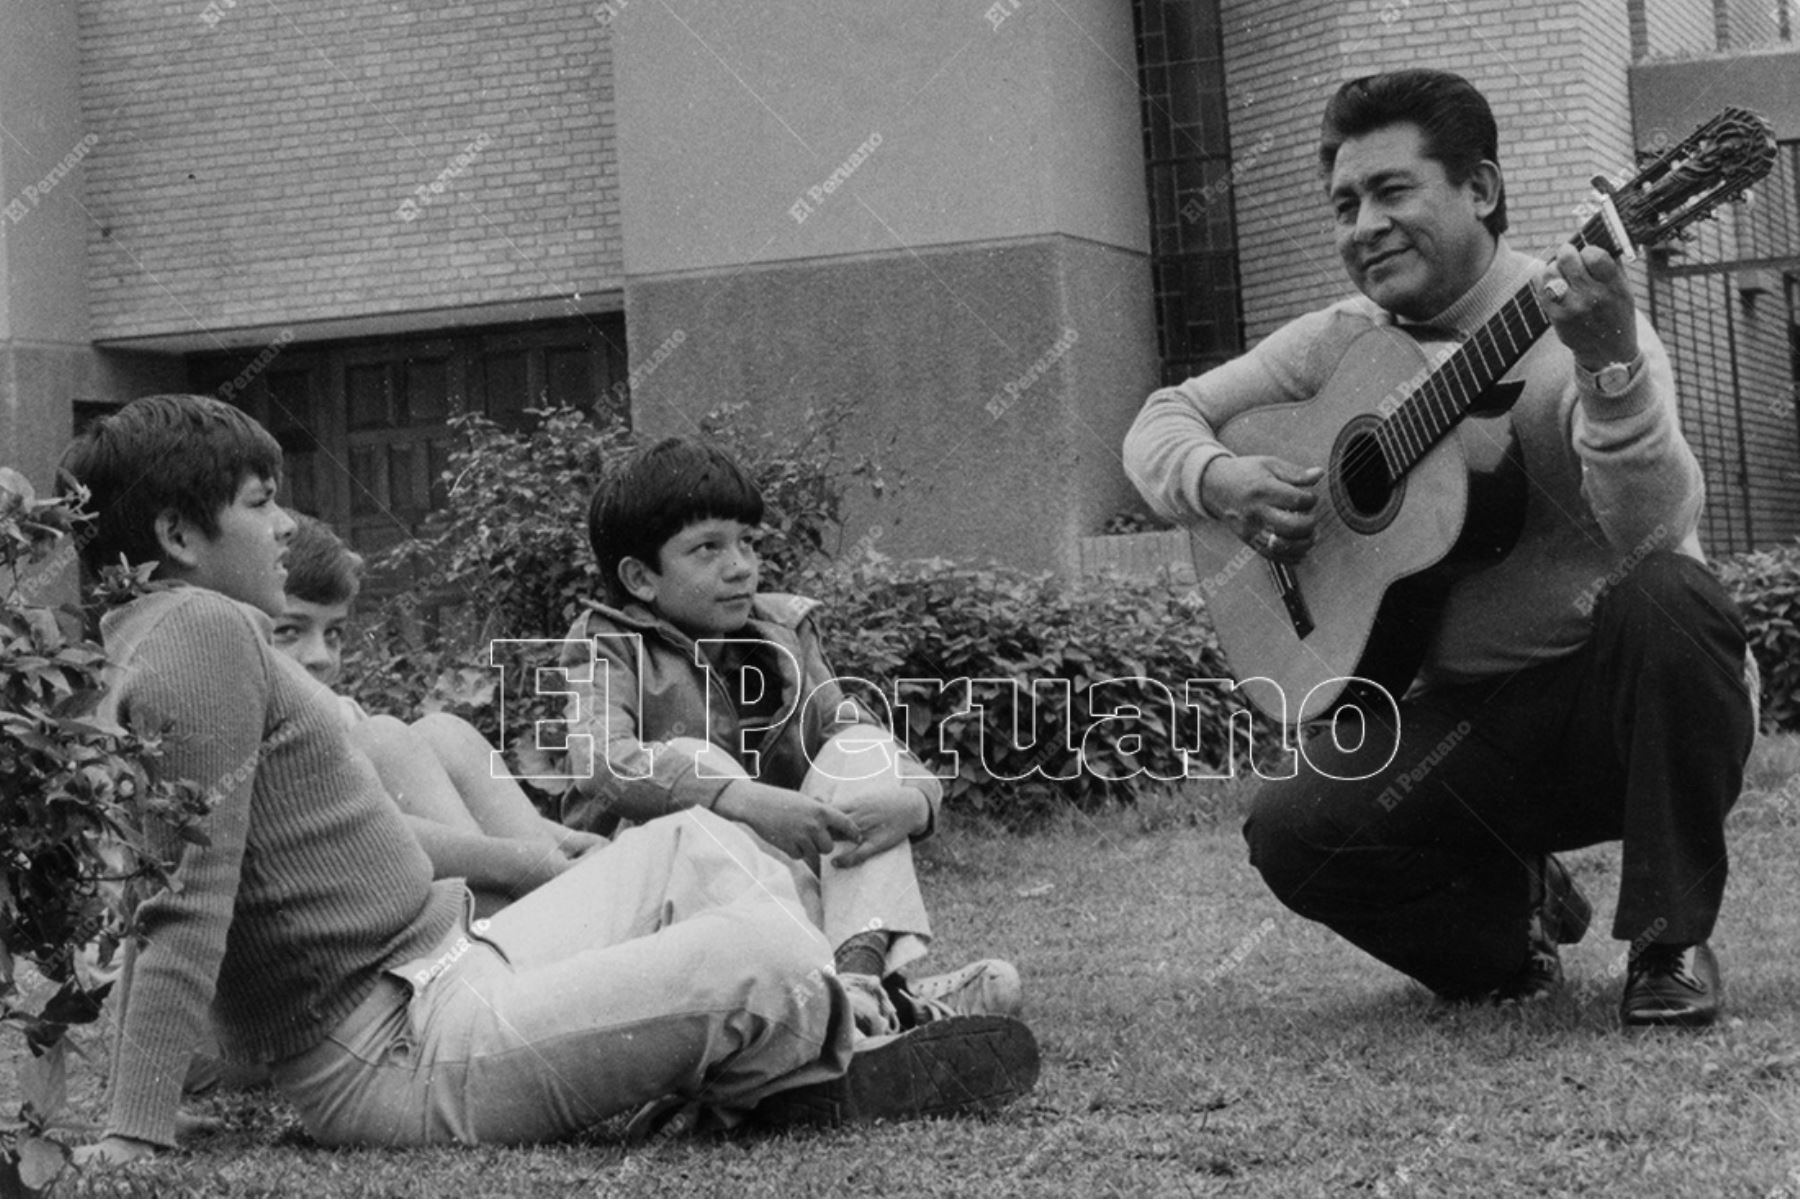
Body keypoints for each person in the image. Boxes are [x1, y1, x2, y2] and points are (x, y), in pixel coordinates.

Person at [61, 394, 1038, 1164]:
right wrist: (133, 1130)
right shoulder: (197, 631)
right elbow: (179, 897)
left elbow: (329, 845)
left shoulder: (189, 636)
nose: (288, 526)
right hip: (392, 1049)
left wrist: (529, 858)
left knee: (693, 846)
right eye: (262, 500)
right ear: (182, 534)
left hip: (447, 962)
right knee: (763, 955)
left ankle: (815, 1047)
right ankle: (850, 1028)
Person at [1123, 69, 1754, 1025]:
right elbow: (1159, 421)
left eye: (1391, 191)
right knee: (1292, 827)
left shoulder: (1586, 323)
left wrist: (1610, 371)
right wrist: (1223, 479)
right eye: (1344, 205)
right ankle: (1507, 941)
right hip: (1456, 731)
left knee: (1670, 593)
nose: (1362, 226)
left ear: (1482, 191)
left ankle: (1669, 942)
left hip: (1611, 713)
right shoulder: (1341, 340)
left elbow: (1658, 535)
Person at [557, 436, 1023, 1035]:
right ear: (640, 578)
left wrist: (916, 803)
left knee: (861, 749)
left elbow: (859, 729)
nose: (741, 566)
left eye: (747, 541)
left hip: (784, 896)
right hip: (648, 911)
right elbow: (603, 763)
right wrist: (743, 800)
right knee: (688, 757)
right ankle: (880, 1006)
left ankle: (858, 987)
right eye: (707, 549)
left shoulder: (779, 634)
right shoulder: (603, 645)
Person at [274, 513, 602, 915]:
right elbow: (376, 827)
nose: (320, 657)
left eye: (334, 634)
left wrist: (563, 842)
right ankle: (527, 928)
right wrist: (520, 861)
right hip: (340, 917)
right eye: (289, 631)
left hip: (420, 885)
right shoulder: (260, 735)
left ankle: (572, 903)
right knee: (384, 738)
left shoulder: (340, 715)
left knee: (444, 732)